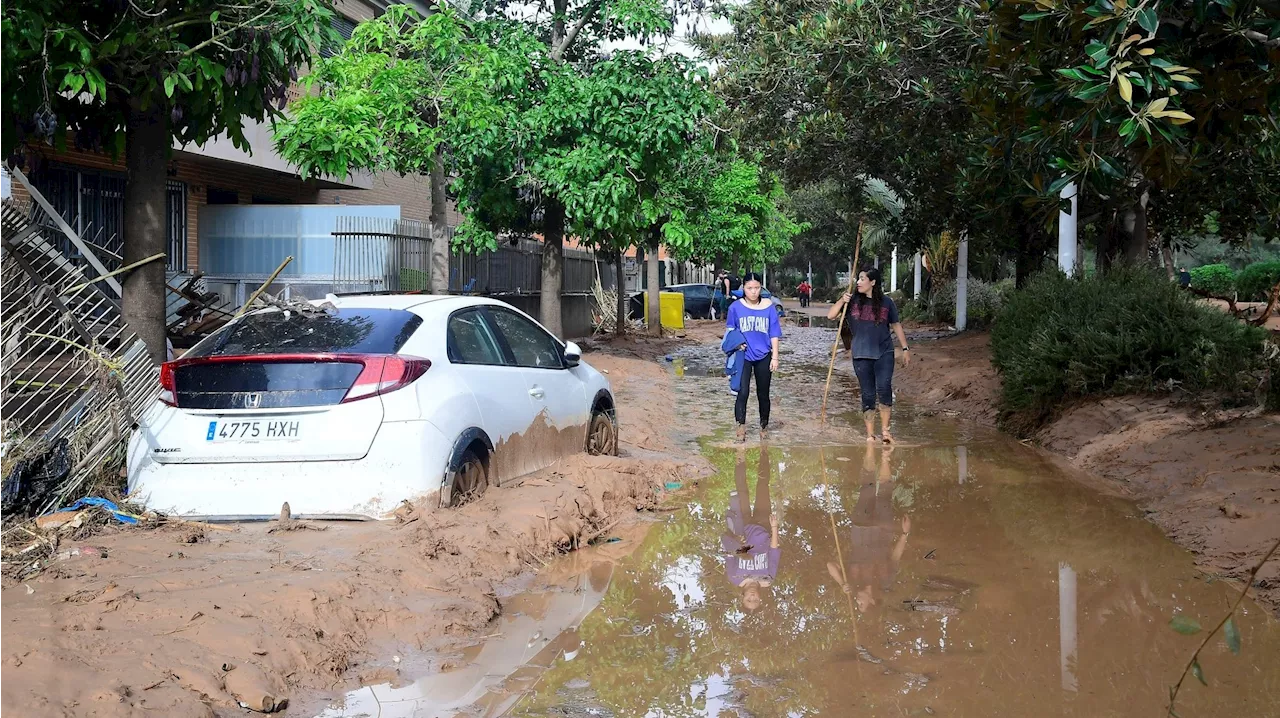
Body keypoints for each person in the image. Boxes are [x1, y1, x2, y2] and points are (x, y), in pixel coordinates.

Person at [828, 267, 910, 443]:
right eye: (858, 278)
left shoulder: (887, 303)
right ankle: (870, 435)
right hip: (861, 354)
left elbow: (896, 325)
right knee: (868, 394)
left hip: (884, 352)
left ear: (872, 282)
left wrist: (905, 349)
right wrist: (842, 301)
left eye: (862, 279)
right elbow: (831, 316)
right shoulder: (852, 301)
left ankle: (886, 432)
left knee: (884, 388)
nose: (858, 282)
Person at [827, 444, 910, 614]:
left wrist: (842, 583)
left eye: (857, 605)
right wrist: (905, 533)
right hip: (883, 529)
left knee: (867, 488)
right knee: (885, 492)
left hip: (861, 527)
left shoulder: (852, 582)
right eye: (861, 605)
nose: (858, 602)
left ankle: (870, 448)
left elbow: (830, 565)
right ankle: (886, 456)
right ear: (872, 601)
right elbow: (895, 557)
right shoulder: (886, 582)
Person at [726, 272, 782, 442]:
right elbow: (730, 330)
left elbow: (774, 333)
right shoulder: (735, 307)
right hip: (743, 356)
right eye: (749, 288)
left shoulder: (769, 307)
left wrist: (775, 357)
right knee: (742, 392)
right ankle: (740, 428)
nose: (753, 292)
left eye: (757, 288)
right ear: (743, 288)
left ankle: (763, 427)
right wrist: (736, 343)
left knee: (763, 394)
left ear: (761, 288)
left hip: (764, 355)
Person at [722, 447, 779, 613]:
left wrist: (738, 546)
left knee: (741, 490)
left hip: (742, 527)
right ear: (760, 598)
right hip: (764, 527)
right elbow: (774, 551)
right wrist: (774, 528)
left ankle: (740, 453)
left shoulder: (734, 577)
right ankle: (764, 450)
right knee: (763, 486)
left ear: (743, 597)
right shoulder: (768, 578)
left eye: (749, 600)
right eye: (755, 600)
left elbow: (728, 551)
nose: (753, 597)